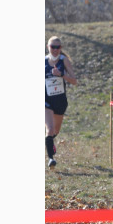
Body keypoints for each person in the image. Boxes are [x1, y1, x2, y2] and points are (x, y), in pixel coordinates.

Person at [45, 36, 78, 168]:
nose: (55, 49)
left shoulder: (64, 61)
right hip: (45, 100)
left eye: (58, 47)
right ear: (48, 47)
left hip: (60, 100)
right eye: (53, 47)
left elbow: (74, 81)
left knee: (55, 131)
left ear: (61, 48)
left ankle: (50, 142)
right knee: (50, 129)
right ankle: (51, 159)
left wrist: (61, 75)